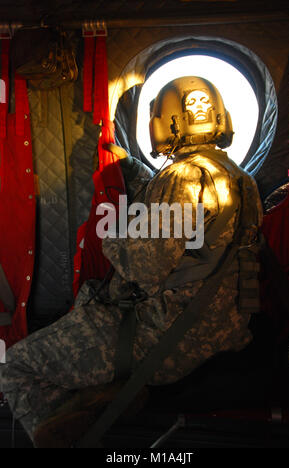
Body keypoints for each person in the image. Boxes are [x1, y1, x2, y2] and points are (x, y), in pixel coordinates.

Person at [0, 76, 263, 448]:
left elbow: (142, 267)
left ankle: (84, 430)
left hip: (168, 338)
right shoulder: (241, 178)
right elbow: (196, 239)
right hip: (225, 329)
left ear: (164, 121)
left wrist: (115, 237)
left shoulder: (184, 176)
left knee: (17, 366)